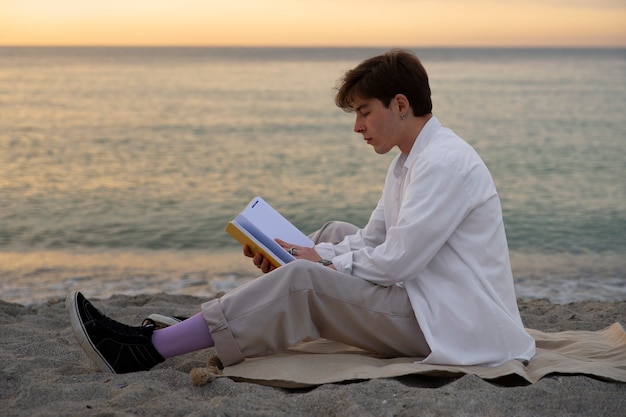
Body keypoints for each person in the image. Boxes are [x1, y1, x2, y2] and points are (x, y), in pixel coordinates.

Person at [67, 49, 536, 374]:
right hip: (432, 298)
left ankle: (149, 349)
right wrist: (296, 253)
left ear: (400, 103)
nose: (357, 127)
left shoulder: (445, 163)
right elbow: (372, 239)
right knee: (330, 235)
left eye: (364, 112)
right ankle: (236, 308)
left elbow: (398, 262)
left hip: (456, 324)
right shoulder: (409, 162)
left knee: (308, 276)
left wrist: (318, 264)